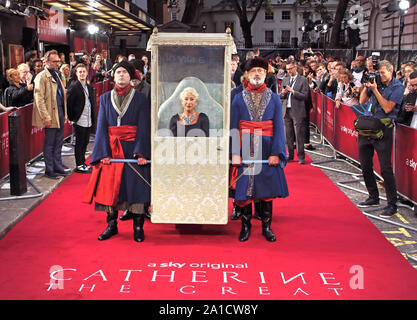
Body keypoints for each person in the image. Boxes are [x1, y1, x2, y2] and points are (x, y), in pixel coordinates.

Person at [83, 60, 150, 242]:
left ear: (131, 76)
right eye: (118, 72)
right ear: (113, 76)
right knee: (110, 188)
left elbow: (144, 126)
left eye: (125, 73)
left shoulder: (140, 98)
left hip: (133, 150)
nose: (121, 75)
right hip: (111, 150)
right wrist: (102, 153)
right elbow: (102, 126)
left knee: (136, 188)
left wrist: (141, 152)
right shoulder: (104, 98)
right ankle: (111, 225)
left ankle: (138, 226)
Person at [230, 57, 289, 242]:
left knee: (267, 190)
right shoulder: (238, 98)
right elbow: (233, 127)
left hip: (267, 150)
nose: (257, 74)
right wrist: (235, 153)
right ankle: (245, 226)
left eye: (261, 71)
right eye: (254, 71)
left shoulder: (274, 98)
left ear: (266, 74)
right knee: (245, 190)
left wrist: (276, 153)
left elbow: (279, 127)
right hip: (244, 147)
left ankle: (266, 226)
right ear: (247, 74)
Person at [358, 60, 404, 218]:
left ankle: (392, 204)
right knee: (365, 164)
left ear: (391, 71)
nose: (380, 75)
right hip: (367, 125)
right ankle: (373, 197)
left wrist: (376, 90)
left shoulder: (397, 86)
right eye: (379, 72)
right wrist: (366, 85)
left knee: (385, 168)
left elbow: (387, 108)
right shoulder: (374, 81)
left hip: (384, 128)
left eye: (383, 72)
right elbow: (362, 101)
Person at [32, 50, 69, 180]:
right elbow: (39, 99)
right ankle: (49, 169)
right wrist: (45, 117)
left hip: (58, 112)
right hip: (50, 114)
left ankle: (58, 166)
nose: (58, 64)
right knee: (50, 143)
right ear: (46, 62)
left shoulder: (57, 74)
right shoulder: (41, 77)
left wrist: (64, 114)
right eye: (55, 61)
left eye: (58, 61)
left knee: (59, 142)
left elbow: (61, 94)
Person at [67, 63, 96, 173]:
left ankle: (83, 162)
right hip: (79, 119)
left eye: (84, 71)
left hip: (88, 118)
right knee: (79, 143)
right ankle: (79, 164)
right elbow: (69, 103)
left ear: (87, 73)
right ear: (76, 73)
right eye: (80, 72)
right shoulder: (74, 87)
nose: (82, 73)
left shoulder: (88, 87)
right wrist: (72, 118)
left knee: (85, 141)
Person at [280, 61, 309, 164]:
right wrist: (283, 93)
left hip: (297, 110)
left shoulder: (303, 80)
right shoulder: (285, 79)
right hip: (286, 110)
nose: (289, 71)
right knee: (288, 135)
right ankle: (290, 155)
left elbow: (305, 96)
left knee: (299, 134)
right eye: (287, 69)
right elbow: (280, 96)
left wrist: (292, 91)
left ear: (295, 68)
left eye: (291, 69)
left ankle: (301, 156)